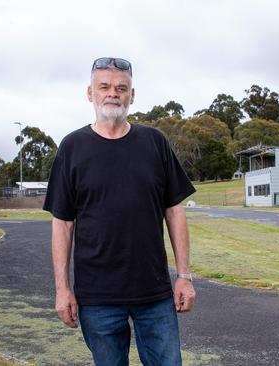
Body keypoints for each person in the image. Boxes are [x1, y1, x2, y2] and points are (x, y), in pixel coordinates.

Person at [43, 57, 196, 366]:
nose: (112, 93)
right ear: (90, 93)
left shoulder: (154, 142)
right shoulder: (72, 147)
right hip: (97, 298)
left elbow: (175, 212)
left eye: (120, 88)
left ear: (132, 95)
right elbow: (62, 224)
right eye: (104, 87)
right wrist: (63, 290)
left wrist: (184, 276)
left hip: (154, 294)